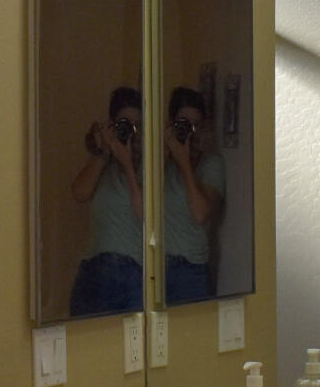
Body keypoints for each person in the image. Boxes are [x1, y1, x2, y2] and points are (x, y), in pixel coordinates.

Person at [66, 86, 145, 315]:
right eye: (124, 124)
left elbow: (146, 217)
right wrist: (104, 152)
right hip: (94, 268)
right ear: (112, 124)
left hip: (132, 271)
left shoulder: (149, 166)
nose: (130, 131)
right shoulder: (102, 162)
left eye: (135, 125)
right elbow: (79, 193)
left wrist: (129, 164)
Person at [161, 86, 227, 305]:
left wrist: (184, 161)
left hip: (190, 271)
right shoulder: (162, 164)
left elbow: (200, 214)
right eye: (183, 123)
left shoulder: (211, 164)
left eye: (195, 125)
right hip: (156, 267)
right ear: (171, 124)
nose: (190, 131)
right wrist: (165, 149)